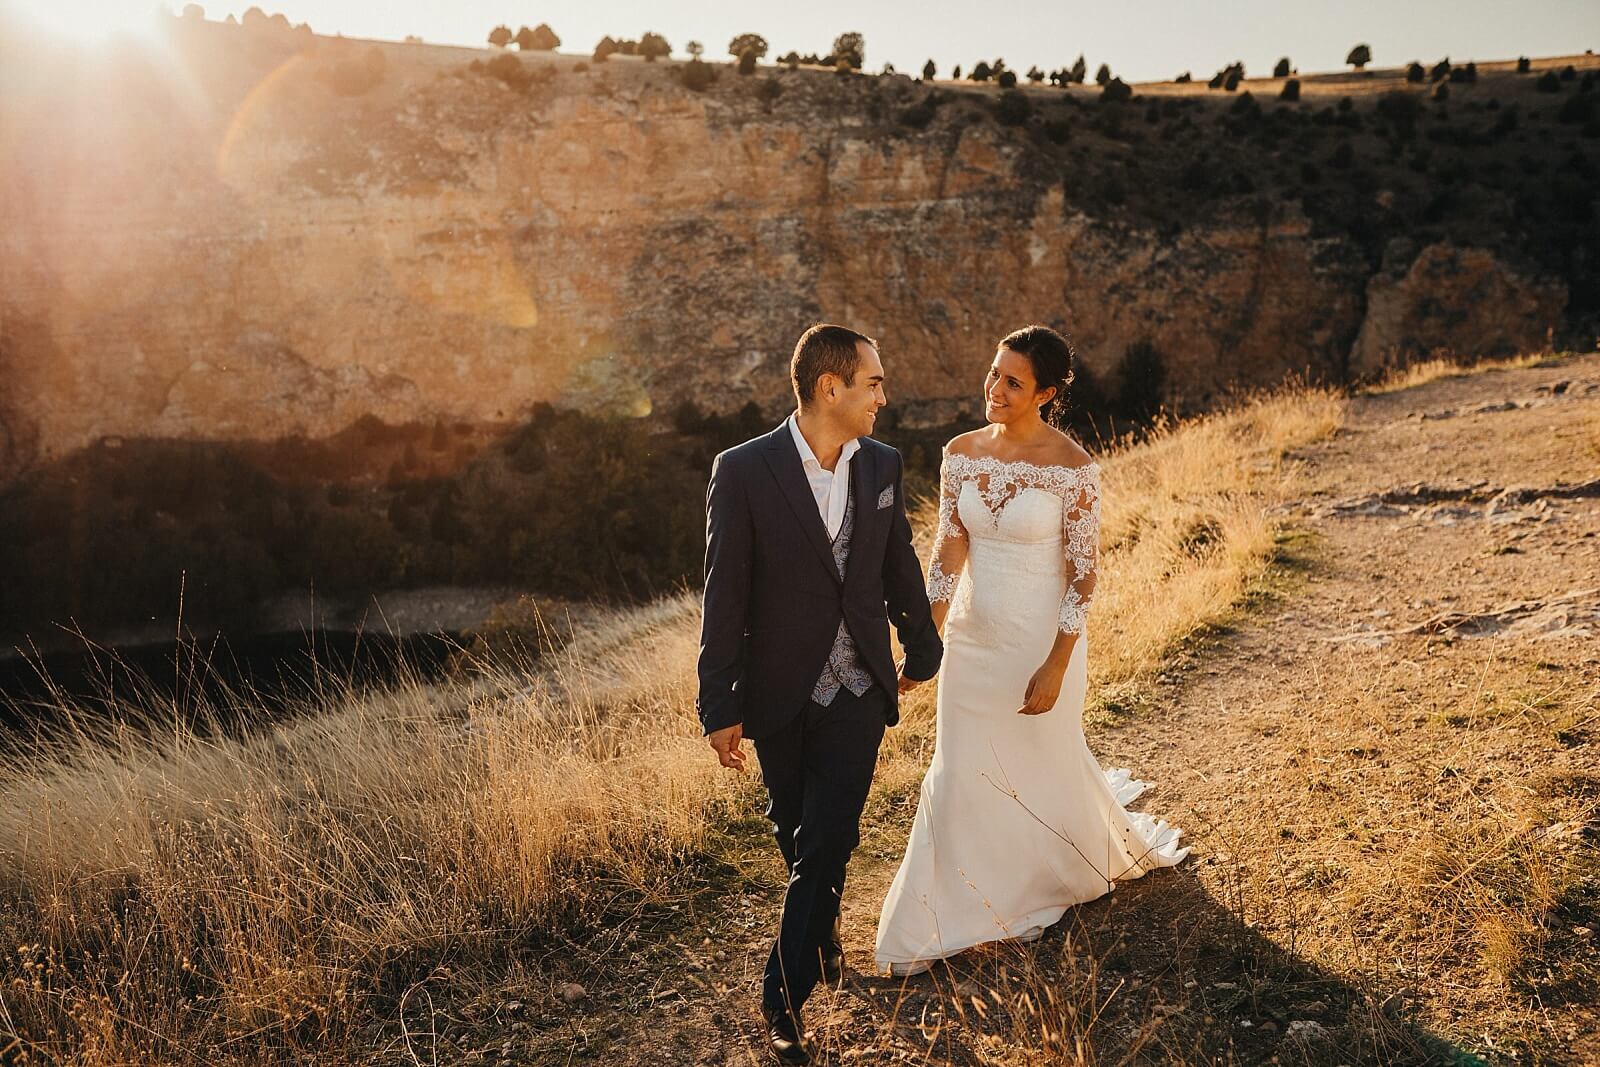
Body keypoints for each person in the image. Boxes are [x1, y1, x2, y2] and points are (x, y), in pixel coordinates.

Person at [874, 324, 1188, 977]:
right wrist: (923, 641)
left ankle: (1036, 877)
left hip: (1039, 645)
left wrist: (1058, 661)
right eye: (994, 373)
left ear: (1046, 392)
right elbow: (947, 552)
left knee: (1036, 768)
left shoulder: (1074, 467)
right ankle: (953, 907)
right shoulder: (961, 451)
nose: (995, 388)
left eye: (1013, 381)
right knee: (960, 770)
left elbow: (1083, 574)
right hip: (970, 641)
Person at [697, 323, 944, 1064]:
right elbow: (724, 595)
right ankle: (824, 937)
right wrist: (720, 705)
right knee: (796, 831)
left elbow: (895, 562)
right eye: (873, 382)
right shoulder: (742, 469)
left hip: (860, 684)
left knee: (829, 834)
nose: (883, 396)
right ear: (829, 387)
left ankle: (782, 993)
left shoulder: (883, 464)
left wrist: (922, 651)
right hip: (776, 690)